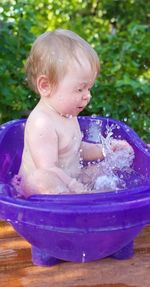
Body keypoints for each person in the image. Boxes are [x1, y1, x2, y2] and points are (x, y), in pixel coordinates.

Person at [16, 29, 132, 197]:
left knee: (111, 167)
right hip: (40, 195)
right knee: (40, 178)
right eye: (79, 89)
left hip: (70, 178)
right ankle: (82, 199)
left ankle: (105, 195)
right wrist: (74, 186)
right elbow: (48, 169)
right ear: (45, 86)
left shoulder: (67, 115)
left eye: (89, 88)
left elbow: (76, 149)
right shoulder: (42, 123)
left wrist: (106, 149)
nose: (87, 95)